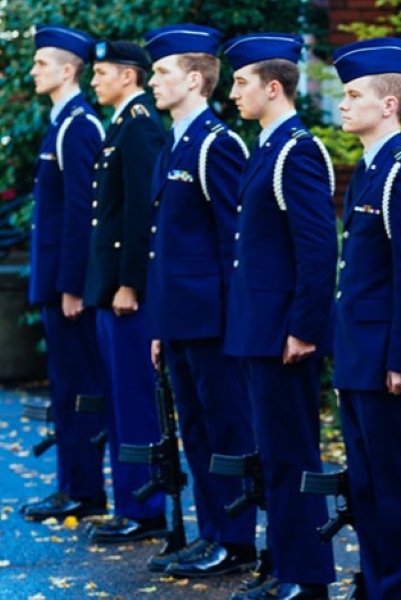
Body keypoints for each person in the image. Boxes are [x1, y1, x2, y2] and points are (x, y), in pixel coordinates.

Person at [222, 33, 338, 600]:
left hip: (282, 334)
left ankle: (306, 576)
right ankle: (282, 562)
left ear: (274, 86)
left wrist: (304, 327)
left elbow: (317, 249)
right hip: (257, 328)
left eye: (241, 82)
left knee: (292, 453)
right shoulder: (267, 146)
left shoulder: (297, 150)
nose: (233, 93)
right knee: (272, 452)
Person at [141, 24, 257, 578]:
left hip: (214, 321)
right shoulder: (175, 140)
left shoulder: (217, 143)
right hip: (181, 318)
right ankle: (211, 532)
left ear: (193, 78)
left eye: (161, 72)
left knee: (225, 430)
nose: (153, 81)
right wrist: (160, 324)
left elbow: (235, 241)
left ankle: (234, 540)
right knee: (196, 430)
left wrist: (237, 324)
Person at [330, 37, 401, 599]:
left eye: (353, 95)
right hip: (361, 362)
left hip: (390, 367)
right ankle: (379, 588)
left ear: (389, 105)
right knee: (367, 490)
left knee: (397, 497)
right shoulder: (370, 171)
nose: (342, 105)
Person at [20, 24, 107, 522]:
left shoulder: (80, 126)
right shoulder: (62, 122)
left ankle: (86, 488)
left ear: (67, 69)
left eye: (40, 64)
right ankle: (71, 482)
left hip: (67, 285)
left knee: (78, 385)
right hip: (54, 280)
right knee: (64, 385)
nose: (33, 72)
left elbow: (83, 212)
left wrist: (73, 283)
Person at [83, 39, 167, 543]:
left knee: (133, 401)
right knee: (118, 400)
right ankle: (128, 502)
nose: (94, 81)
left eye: (101, 73)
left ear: (128, 77)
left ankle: (144, 507)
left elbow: (141, 215)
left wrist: (130, 283)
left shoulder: (139, 129)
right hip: (108, 288)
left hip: (124, 292)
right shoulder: (121, 126)